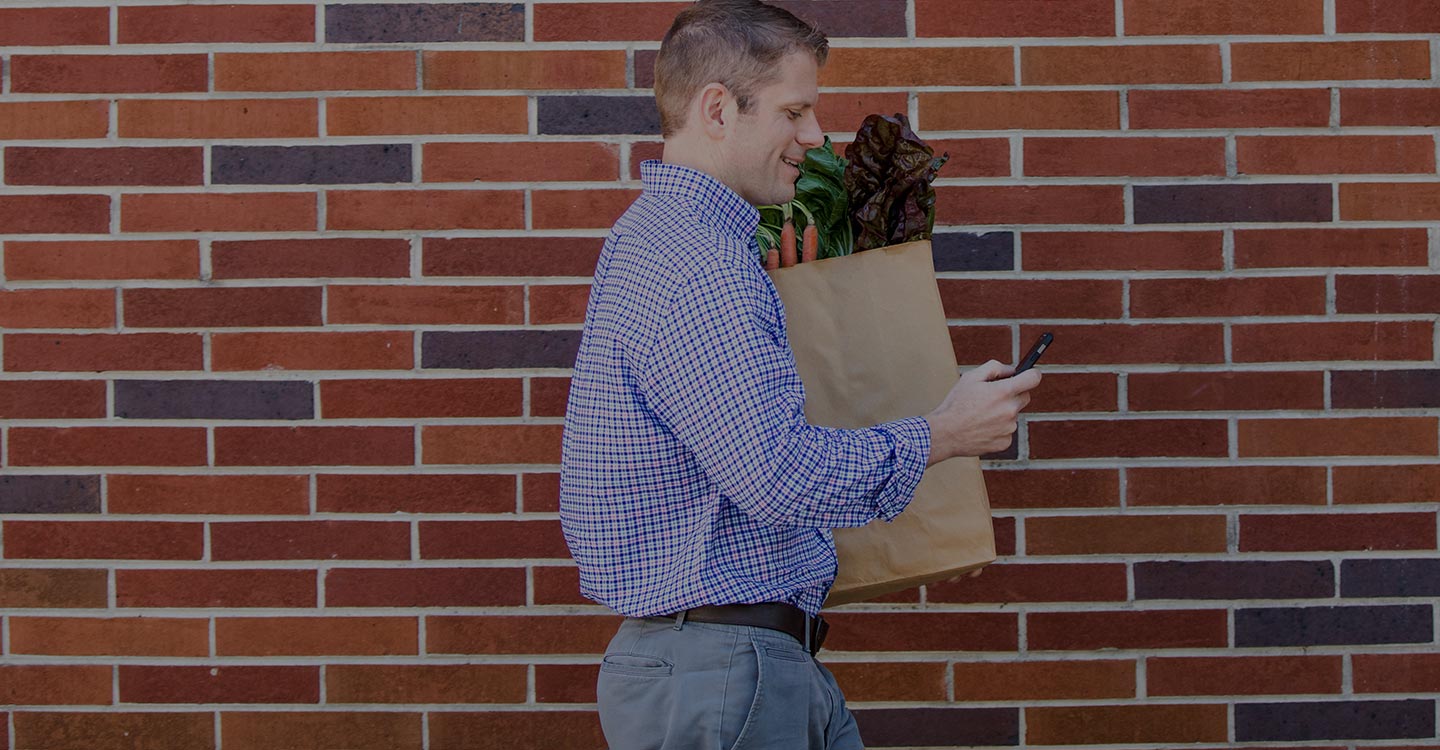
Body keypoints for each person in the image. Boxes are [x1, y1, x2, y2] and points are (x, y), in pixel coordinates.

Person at [558, 1, 1043, 747]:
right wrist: (944, 434)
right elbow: (774, 474)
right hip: (726, 672)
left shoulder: (662, 240)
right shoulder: (702, 264)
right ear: (718, 109)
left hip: (732, 666)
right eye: (795, 110)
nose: (815, 137)